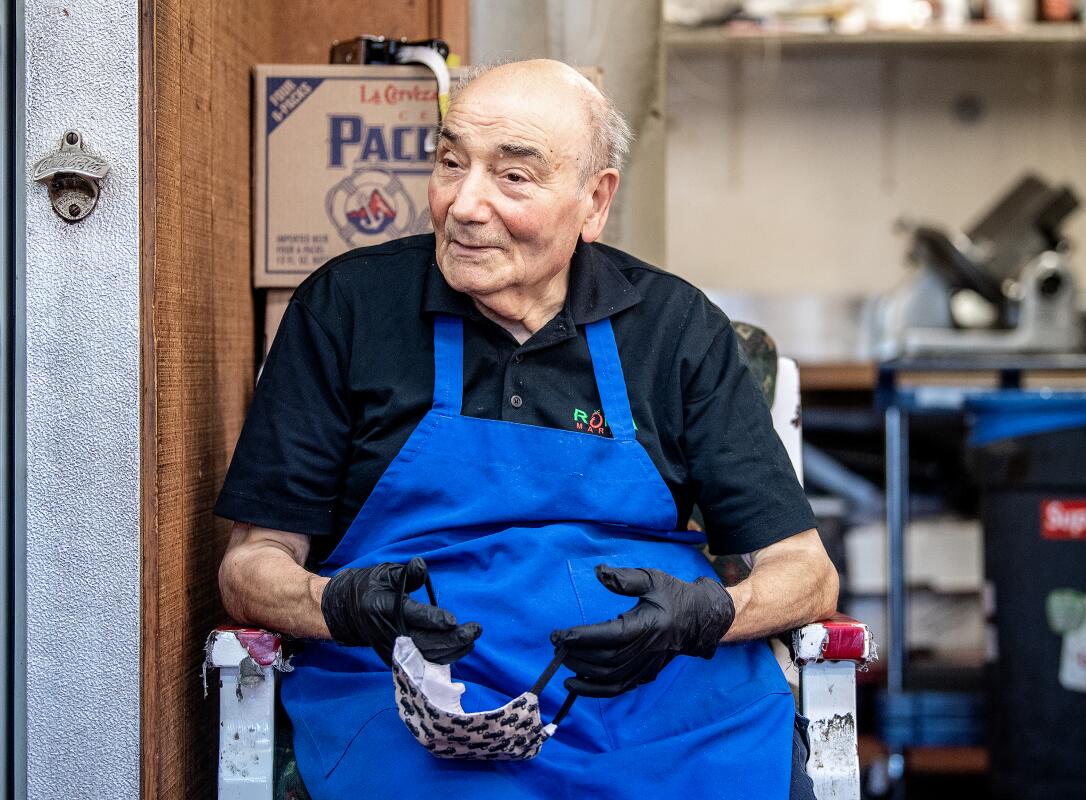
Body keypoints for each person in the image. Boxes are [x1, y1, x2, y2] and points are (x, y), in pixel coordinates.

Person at [216, 58, 838, 800]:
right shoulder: (347, 309)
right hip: (410, 701)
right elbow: (251, 564)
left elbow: (806, 572)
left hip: (663, 699)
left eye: (513, 177)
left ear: (593, 202)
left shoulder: (676, 329)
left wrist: (700, 617)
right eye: (451, 163)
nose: (466, 204)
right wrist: (344, 606)